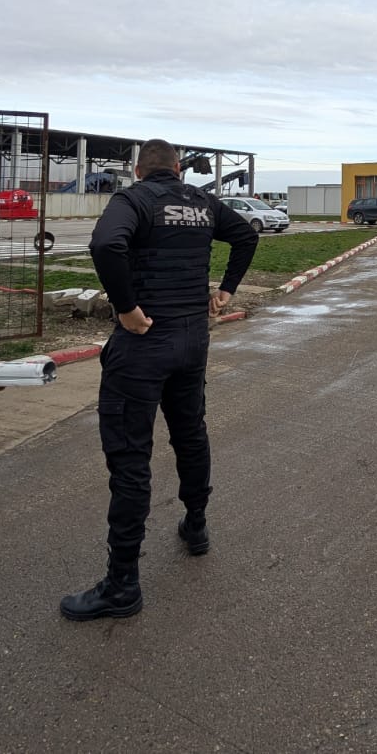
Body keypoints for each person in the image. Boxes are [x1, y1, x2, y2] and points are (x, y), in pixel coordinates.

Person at [61, 138, 259, 621]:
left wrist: (126, 307)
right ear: (178, 168)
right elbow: (246, 237)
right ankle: (196, 525)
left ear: (138, 170)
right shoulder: (202, 203)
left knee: (130, 456)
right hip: (192, 341)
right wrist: (226, 291)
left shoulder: (133, 200)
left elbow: (105, 245)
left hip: (144, 343)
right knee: (190, 434)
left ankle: (122, 584)